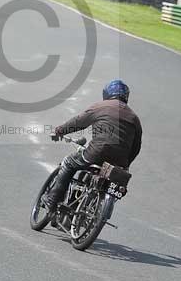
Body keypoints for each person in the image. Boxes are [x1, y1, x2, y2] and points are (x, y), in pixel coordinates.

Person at [43, 79, 142, 211]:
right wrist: (126, 164)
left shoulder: (101, 107)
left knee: (68, 163)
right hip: (119, 162)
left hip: (97, 152)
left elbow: (78, 122)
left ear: (106, 93)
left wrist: (60, 131)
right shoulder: (134, 118)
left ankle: (52, 199)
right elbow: (136, 147)